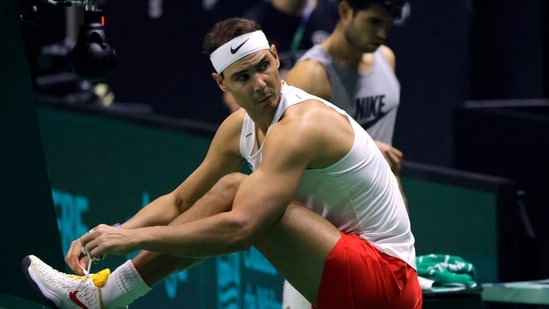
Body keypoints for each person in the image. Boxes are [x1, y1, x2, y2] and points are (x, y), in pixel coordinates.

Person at [22, 17, 422, 309]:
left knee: (235, 191)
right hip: (336, 259)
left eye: (264, 66)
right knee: (229, 193)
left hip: (388, 280)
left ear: (276, 57)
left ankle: (104, 296)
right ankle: (105, 295)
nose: (260, 83)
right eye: (243, 77)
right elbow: (179, 202)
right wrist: (110, 232)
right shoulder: (238, 129)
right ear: (222, 84)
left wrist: (132, 241)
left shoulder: (301, 125)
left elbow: (242, 229)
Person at [286, 0, 407, 196]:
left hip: (385, 200)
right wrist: (365, 150)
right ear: (345, 11)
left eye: (388, 24)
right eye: (374, 22)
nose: (382, 34)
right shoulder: (311, 75)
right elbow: (285, 154)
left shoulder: (386, 58)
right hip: (337, 209)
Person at [223, 0, 339, 112]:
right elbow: (232, 95)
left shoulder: (334, 14)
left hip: (323, 109)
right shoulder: (254, 23)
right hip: (275, 115)